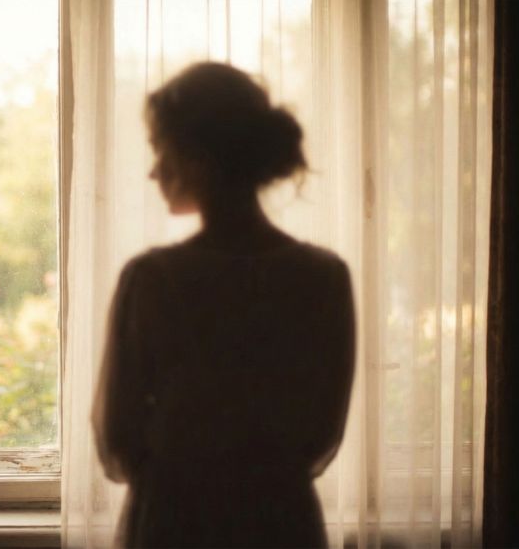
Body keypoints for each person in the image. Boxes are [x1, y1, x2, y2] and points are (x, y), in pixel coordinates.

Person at [91, 62, 356, 548]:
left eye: (159, 149)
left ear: (197, 157)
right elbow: (318, 438)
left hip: (174, 523)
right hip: (281, 523)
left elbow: (116, 441)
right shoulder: (324, 277)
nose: (153, 171)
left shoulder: (153, 280)